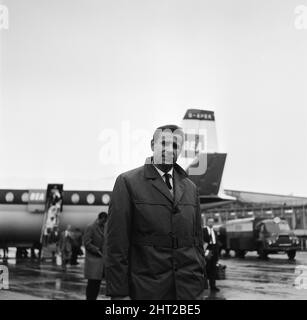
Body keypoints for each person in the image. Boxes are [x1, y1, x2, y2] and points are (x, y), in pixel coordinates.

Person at [106, 124, 206, 300]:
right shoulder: (127, 182)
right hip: (146, 290)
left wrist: (200, 283)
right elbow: (116, 244)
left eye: (175, 146)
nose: (169, 149)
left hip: (187, 291)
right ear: (153, 145)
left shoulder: (191, 188)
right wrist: (119, 293)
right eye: (164, 143)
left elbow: (197, 241)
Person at [84, 212, 108, 300]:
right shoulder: (90, 227)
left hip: (101, 261)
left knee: (97, 282)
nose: (104, 223)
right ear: (100, 218)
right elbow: (87, 243)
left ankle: (93, 298)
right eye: (103, 221)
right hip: (93, 260)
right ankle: (90, 298)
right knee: (92, 283)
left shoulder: (105, 227)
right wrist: (96, 250)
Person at [203, 218, 220, 292]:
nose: (211, 223)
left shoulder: (215, 232)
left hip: (214, 252)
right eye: (210, 222)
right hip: (207, 251)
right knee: (206, 268)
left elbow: (216, 242)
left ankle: (213, 286)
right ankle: (204, 285)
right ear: (207, 222)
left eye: (212, 222)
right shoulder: (203, 231)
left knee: (213, 269)